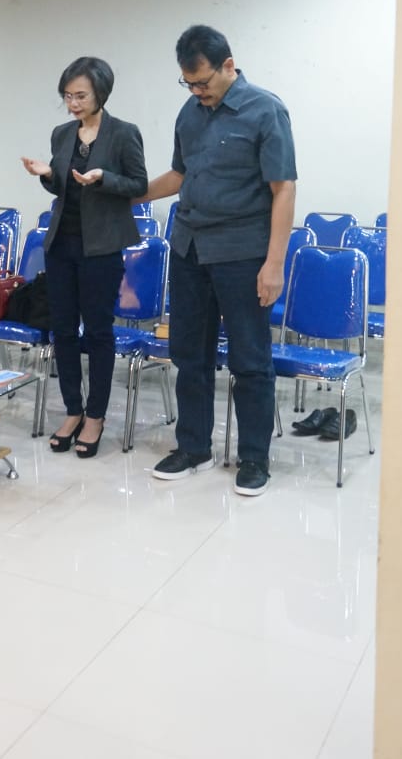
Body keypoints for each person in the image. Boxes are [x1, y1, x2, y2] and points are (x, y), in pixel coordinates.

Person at [144, 25, 296, 496]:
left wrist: (274, 264)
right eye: (188, 83)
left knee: (250, 359)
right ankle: (193, 448)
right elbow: (179, 174)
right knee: (189, 354)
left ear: (228, 65)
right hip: (189, 249)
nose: (197, 92)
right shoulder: (189, 113)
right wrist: (130, 194)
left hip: (242, 253)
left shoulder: (265, 110)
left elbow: (283, 188)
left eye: (203, 82)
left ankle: (254, 458)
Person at [22, 57, 147, 459]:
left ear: (101, 93)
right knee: (62, 329)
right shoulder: (62, 134)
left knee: (97, 332)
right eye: (67, 96)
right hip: (62, 244)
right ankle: (72, 410)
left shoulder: (123, 133)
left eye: (80, 95)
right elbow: (61, 187)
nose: (72, 103)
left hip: (101, 247)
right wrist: (47, 174)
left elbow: (138, 184)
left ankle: (95, 416)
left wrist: (103, 178)